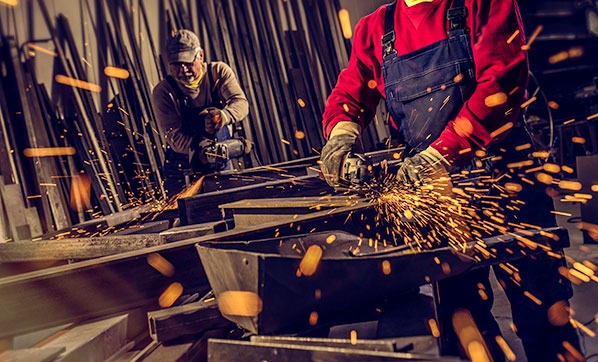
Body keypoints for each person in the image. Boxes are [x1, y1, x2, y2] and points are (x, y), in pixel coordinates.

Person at [319, 0, 582, 361]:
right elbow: (351, 93)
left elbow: (500, 87)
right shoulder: (376, 27)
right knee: (462, 318)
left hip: (505, 183)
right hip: (434, 200)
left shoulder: (484, 4)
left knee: (542, 306)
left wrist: (440, 153)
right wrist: (340, 136)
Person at [152, 29, 249, 196]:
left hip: (219, 162)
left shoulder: (218, 73)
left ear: (201, 56)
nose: (183, 70)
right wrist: (202, 152)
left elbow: (240, 103)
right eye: (176, 65)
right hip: (182, 166)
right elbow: (174, 137)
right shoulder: (164, 92)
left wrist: (223, 116)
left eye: (188, 62)